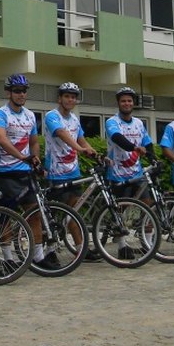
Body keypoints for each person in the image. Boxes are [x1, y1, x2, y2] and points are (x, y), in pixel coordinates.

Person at [43, 83, 99, 263]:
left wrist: (94, 153)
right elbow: (61, 134)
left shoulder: (74, 119)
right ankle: (49, 251)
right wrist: (79, 149)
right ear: (60, 98)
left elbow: (81, 139)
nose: (70, 99)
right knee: (51, 216)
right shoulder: (52, 116)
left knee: (73, 213)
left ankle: (81, 250)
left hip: (72, 172)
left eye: (73, 97)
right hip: (55, 172)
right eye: (67, 96)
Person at [0, 73, 39, 270]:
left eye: (24, 91)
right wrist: (21, 156)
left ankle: (39, 255)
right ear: (8, 92)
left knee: (34, 212)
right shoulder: (0, 114)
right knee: (6, 216)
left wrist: (34, 158)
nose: (21, 94)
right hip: (5, 172)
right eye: (17, 91)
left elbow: (34, 141)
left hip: (25, 172)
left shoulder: (30, 115)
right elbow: (1, 139)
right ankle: (8, 257)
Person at [105, 86, 156, 258]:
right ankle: (121, 246)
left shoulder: (139, 123)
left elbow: (147, 143)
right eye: (123, 101)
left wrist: (153, 159)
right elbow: (117, 139)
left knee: (148, 206)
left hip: (137, 173)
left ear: (133, 103)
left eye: (129, 100)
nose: (127, 103)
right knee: (120, 210)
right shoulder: (112, 122)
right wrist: (135, 148)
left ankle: (148, 243)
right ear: (118, 103)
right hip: (117, 173)